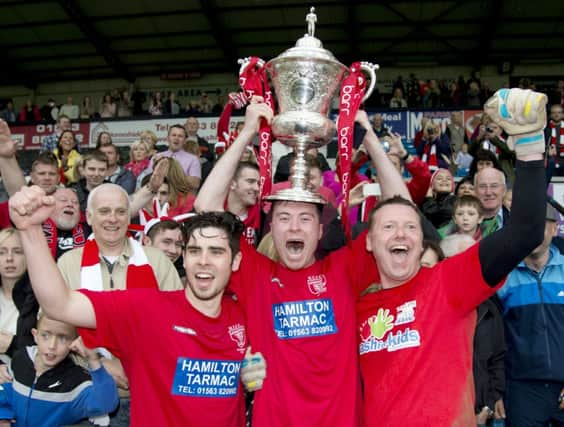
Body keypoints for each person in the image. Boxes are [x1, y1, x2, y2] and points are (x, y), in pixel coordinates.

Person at [195, 97, 409, 427]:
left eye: (305, 219)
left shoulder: (344, 268)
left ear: (321, 230)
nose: (294, 227)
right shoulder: (254, 273)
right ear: (271, 226)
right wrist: (248, 131)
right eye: (284, 218)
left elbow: (400, 209)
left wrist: (367, 138)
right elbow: (206, 205)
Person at [356, 88, 547, 425]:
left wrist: (530, 145)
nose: (401, 234)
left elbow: (526, 231)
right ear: (369, 242)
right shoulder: (357, 306)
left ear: (425, 241)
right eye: (388, 228)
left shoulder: (448, 284)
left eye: (410, 227)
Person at [8, 196, 252, 427]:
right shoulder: (146, 309)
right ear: (184, 258)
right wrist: (30, 230)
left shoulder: (247, 314)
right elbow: (59, 304)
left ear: (236, 261)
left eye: (216, 252)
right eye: (195, 251)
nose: (203, 261)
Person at [497, 203, 564, 427]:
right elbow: (493, 339)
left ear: (555, 229)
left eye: (542, 225)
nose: (535, 231)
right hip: (521, 389)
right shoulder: (502, 276)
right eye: (528, 225)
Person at [0, 313, 119, 427]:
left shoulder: (77, 381)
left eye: (62, 338)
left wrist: (94, 361)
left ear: (74, 343)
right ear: (35, 335)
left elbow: (105, 405)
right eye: (45, 335)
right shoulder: (21, 358)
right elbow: (5, 391)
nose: (52, 346)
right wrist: (3, 415)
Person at [440, 233, 507, 427]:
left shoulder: (489, 308)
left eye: (476, 260)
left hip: (481, 416)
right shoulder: (429, 309)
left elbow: (497, 358)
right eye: (466, 259)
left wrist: (487, 405)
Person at [0, 229, 38, 365]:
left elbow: (48, 350)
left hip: (23, 379)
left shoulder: (39, 300)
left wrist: (10, 344)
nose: (9, 258)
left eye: (17, 251)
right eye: (2, 252)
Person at [150, 125, 201, 191]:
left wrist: (170, 173)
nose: (176, 138)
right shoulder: (156, 157)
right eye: (174, 135)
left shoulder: (193, 159)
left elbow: (195, 183)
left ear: (185, 140)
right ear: (167, 138)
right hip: (159, 197)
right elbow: (147, 180)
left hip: (182, 198)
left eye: (180, 136)